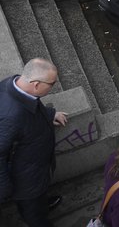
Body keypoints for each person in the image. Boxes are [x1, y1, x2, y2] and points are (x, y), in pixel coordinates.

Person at [0, 58, 68, 227]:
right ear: (36, 84)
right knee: (33, 213)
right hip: (25, 179)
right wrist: (6, 188)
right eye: (52, 84)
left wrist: (50, 114)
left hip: (34, 168)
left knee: (38, 199)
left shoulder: (15, 84)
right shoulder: (12, 117)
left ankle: (41, 205)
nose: (54, 86)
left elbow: (32, 105)